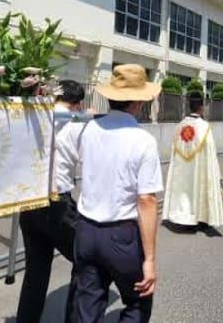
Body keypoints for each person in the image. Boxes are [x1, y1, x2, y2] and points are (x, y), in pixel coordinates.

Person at [56, 64, 162, 323]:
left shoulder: (88, 129)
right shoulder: (143, 140)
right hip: (121, 234)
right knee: (138, 300)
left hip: (86, 229)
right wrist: (149, 259)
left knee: (88, 304)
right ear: (139, 100)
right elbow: (146, 200)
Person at [16, 80, 85, 323]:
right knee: (85, 260)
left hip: (30, 200)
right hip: (58, 203)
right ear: (77, 104)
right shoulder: (78, 124)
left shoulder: (34, 116)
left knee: (35, 271)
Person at [162, 92, 223, 228]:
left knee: (184, 190)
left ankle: (182, 217)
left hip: (182, 166)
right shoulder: (204, 127)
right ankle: (200, 218)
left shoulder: (179, 126)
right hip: (199, 165)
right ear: (201, 107)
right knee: (198, 188)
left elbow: (175, 148)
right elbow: (210, 151)